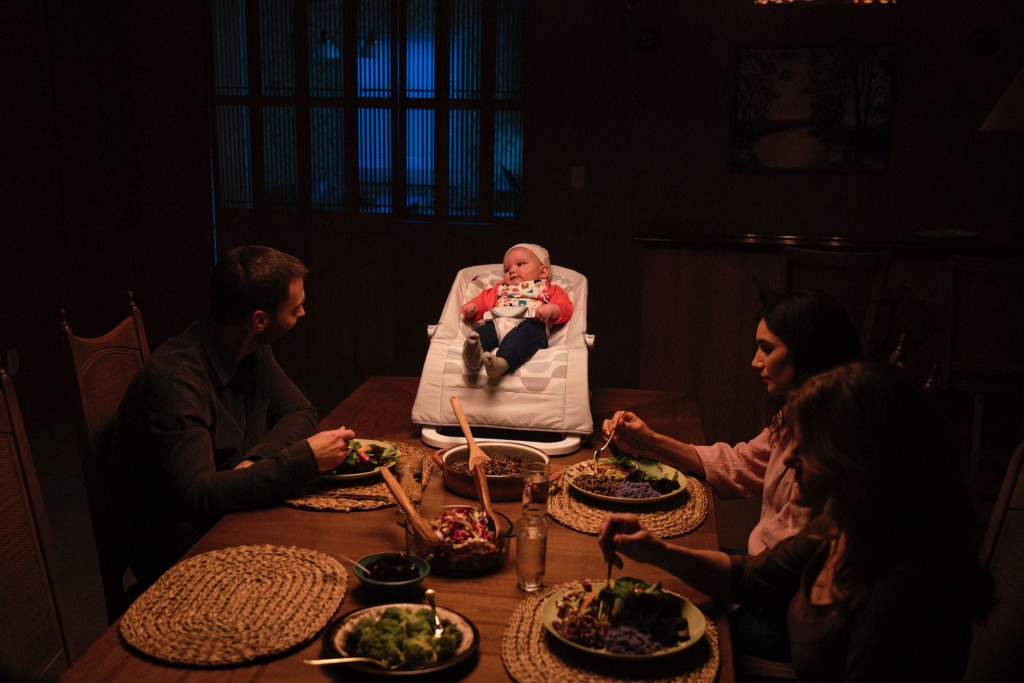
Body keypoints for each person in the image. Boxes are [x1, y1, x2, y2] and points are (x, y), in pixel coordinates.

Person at [598, 362, 991, 683]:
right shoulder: (842, 524)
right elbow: (749, 577)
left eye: (808, 446)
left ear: (857, 461)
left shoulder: (898, 599)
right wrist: (655, 550)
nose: (787, 459)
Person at [114, 245, 356, 586]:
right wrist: (303, 460)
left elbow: (300, 412)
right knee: (321, 572)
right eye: (295, 308)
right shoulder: (177, 380)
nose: (303, 312)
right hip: (184, 550)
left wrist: (255, 461)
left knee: (339, 541)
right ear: (260, 320)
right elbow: (198, 497)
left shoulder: (250, 347)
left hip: (232, 513)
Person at [603, 289, 863, 555]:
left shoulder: (828, 449)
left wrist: (663, 554)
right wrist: (649, 440)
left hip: (768, 572)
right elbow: (743, 464)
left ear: (808, 352)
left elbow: (783, 562)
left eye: (767, 349)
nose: (755, 362)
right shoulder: (793, 413)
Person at [460, 243, 573, 377]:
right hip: (497, 322)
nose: (512, 271)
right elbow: (483, 301)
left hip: (531, 324)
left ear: (543, 272)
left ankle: (502, 362)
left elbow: (565, 307)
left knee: (523, 338)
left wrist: (549, 310)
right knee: (482, 333)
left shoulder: (548, 289)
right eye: (507, 269)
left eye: (520, 264)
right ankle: (474, 354)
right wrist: (473, 308)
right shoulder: (499, 289)